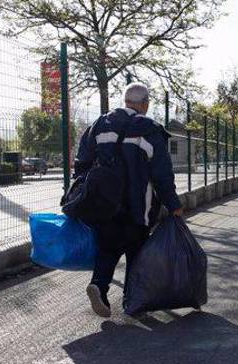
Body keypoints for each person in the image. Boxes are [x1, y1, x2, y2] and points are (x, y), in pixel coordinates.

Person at [74, 83, 183, 318]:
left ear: (125, 101)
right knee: (136, 251)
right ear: (145, 104)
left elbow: (82, 161)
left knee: (107, 247)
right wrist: (173, 205)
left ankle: (99, 286)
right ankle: (131, 301)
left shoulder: (100, 124)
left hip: (105, 203)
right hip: (137, 206)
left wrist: (83, 191)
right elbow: (162, 174)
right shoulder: (151, 130)